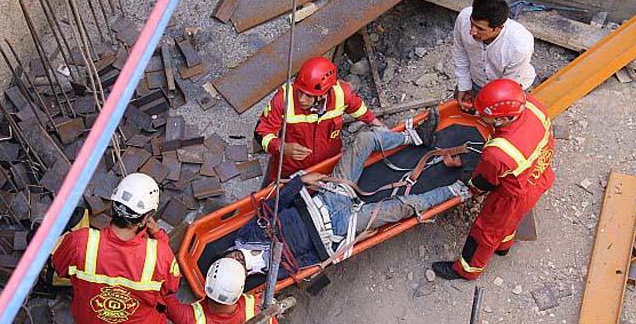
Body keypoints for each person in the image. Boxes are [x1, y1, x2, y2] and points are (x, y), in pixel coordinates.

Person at [228, 112, 472, 278]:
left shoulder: (246, 235)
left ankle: (415, 137)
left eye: (233, 257)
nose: (238, 257)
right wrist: (340, 243)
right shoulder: (271, 271)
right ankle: (455, 191)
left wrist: (301, 180)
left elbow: (272, 205)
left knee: (364, 140)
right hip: (340, 228)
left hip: (325, 200)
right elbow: (312, 262)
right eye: (239, 263)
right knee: (403, 207)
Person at [52, 173, 183, 324]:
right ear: (145, 218)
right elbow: (171, 287)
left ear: (113, 206)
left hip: (92, 322)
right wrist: (158, 235)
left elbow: (59, 268)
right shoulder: (159, 254)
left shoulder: (81, 242)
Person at [431, 79, 554, 281]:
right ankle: (504, 246)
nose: (481, 118)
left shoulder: (499, 152)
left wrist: (469, 188)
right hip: (539, 175)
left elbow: (484, 181)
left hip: (513, 195)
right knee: (511, 220)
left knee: (486, 231)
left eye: (486, 117)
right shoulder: (533, 106)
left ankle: (467, 270)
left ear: (502, 119)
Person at [255, 56, 385, 183]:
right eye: (300, 91)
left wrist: (380, 127)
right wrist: (281, 147)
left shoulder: (341, 94)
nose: (301, 99)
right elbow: (261, 132)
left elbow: (360, 110)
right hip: (290, 168)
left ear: (324, 94)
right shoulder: (284, 99)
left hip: (329, 163)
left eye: (309, 96)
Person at [453, 0, 536, 112]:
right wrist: (464, 85)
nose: (472, 32)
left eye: (480, 29)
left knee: (499, 123)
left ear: (498, 28)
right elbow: (460, 53)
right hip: (475, 80)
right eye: (472, 23)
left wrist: (484, 105)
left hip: (508, 89)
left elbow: (507, 86)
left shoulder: (520, 46)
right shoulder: (463, 18)